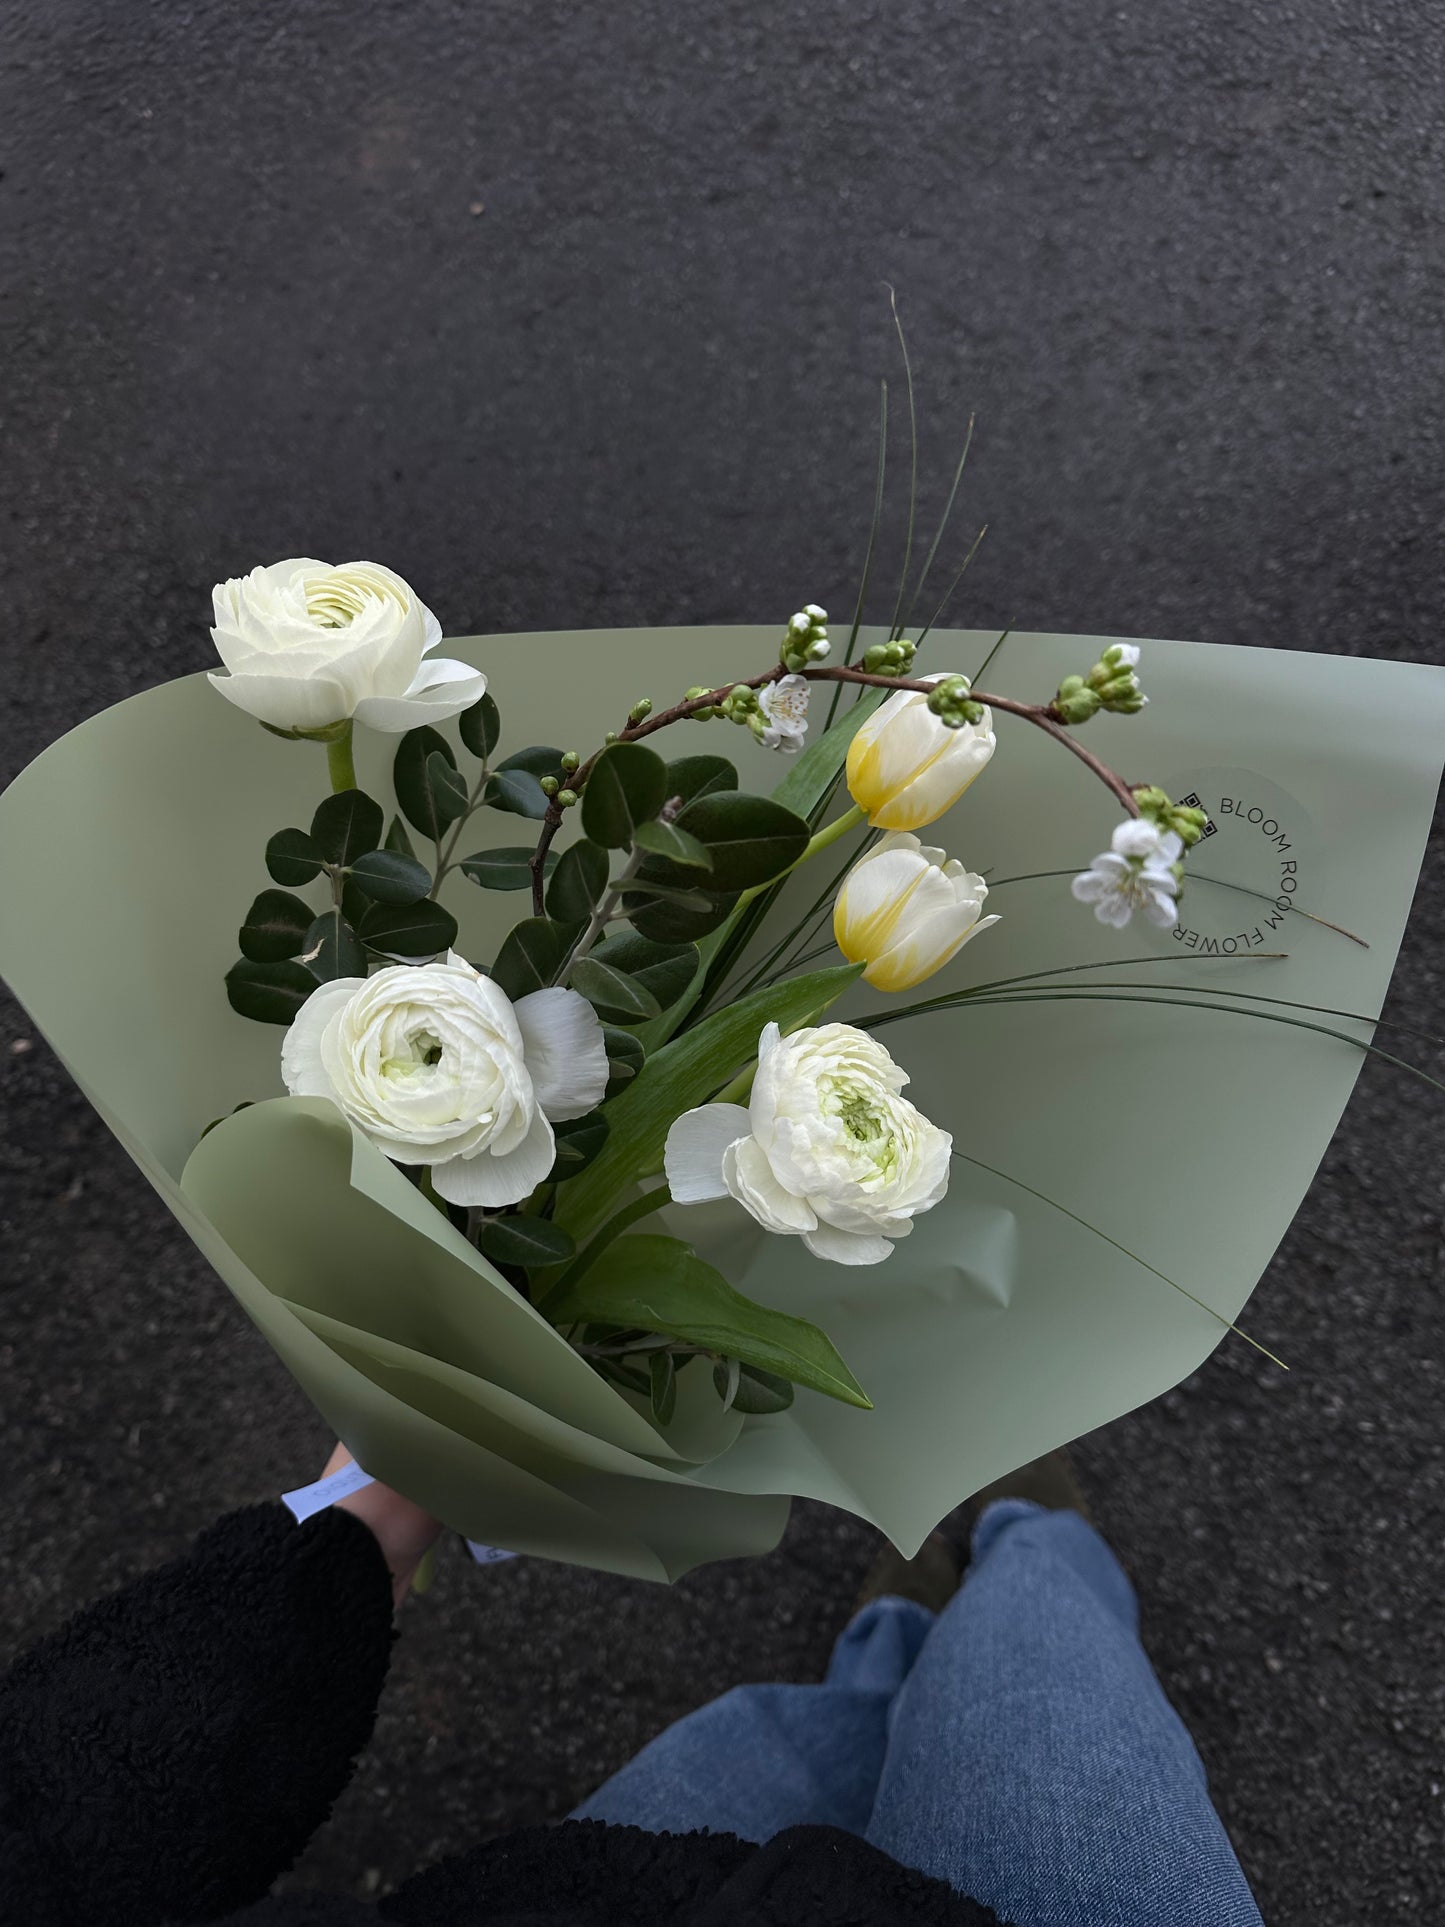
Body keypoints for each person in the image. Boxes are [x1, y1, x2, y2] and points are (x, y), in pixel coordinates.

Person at [0, 1445, 1265, 1927]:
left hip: (561, 1905)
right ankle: (1013, 1536)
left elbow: (42, 1834)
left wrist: (337, 1551)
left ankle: (892, 1635)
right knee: (1039, 1657)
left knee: (771, 1738)